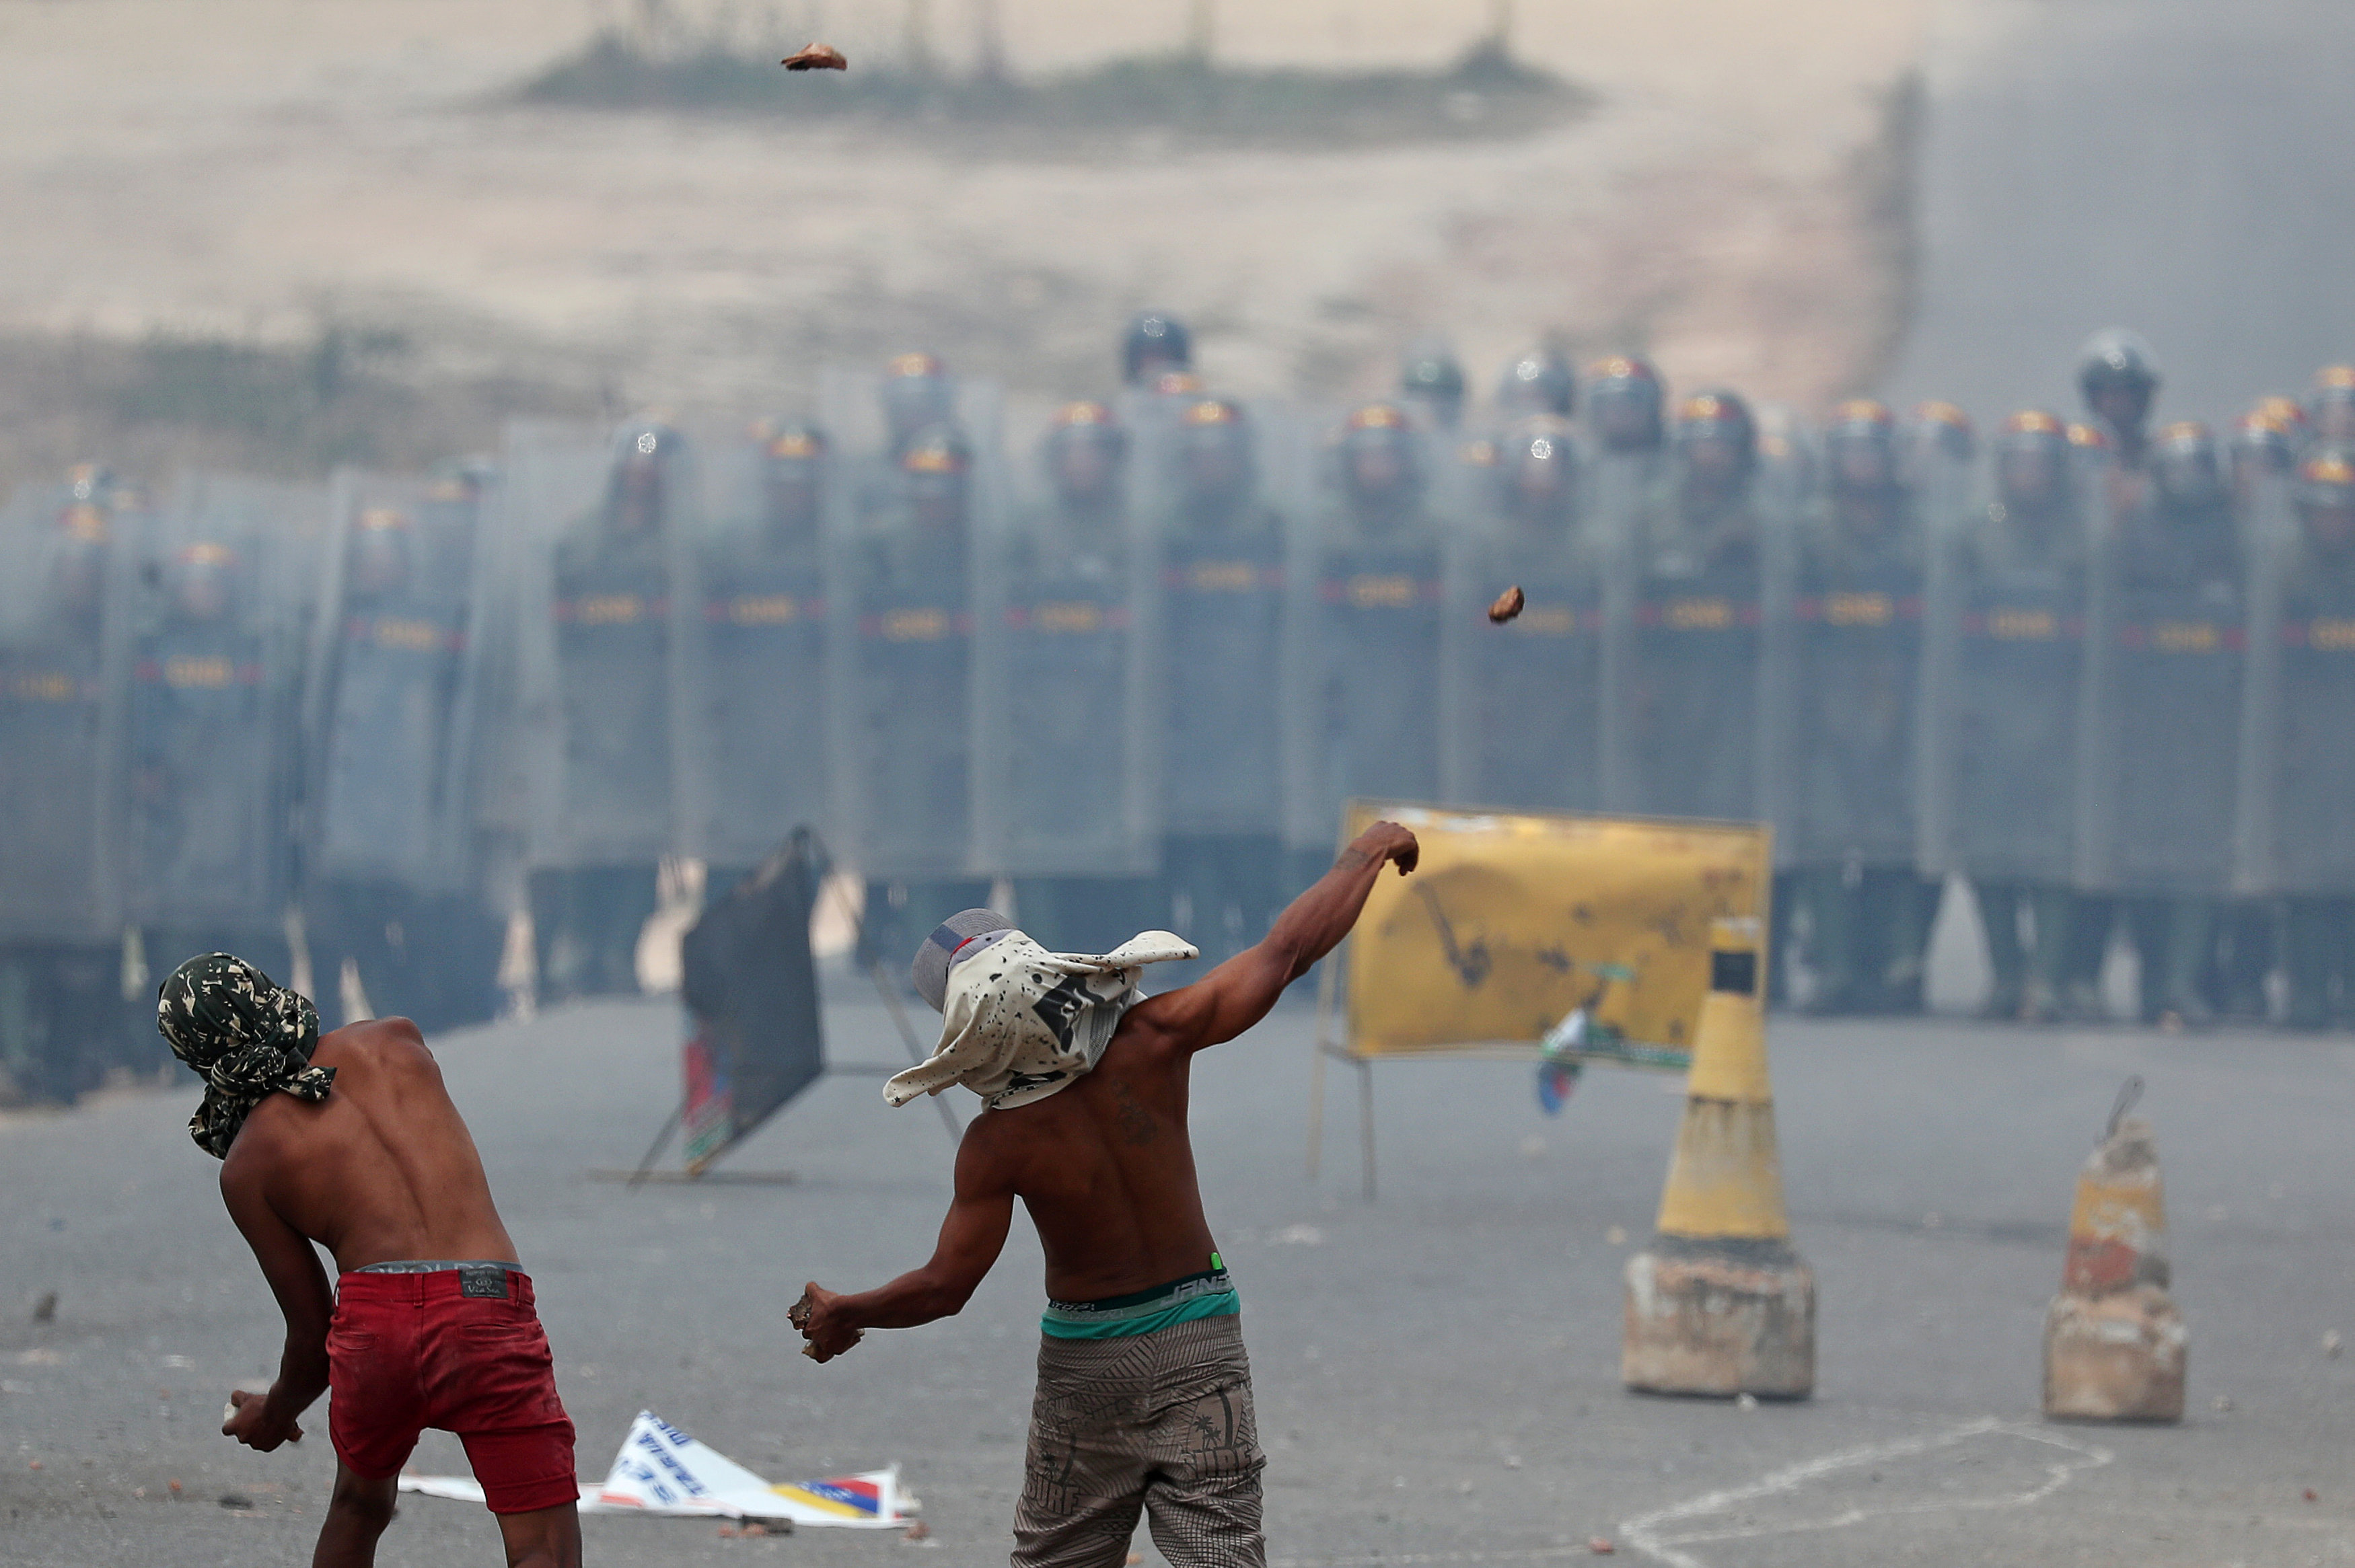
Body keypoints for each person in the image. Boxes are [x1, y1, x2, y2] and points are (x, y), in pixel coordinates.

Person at [795, 819, 1418, 1568]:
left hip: (1086, 1367)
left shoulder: (996, 1145)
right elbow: (1286, 952)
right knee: (1222, 1555)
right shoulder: (1152, 1039)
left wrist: (848, 1312)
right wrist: (1366, 852)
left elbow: (945, 1287)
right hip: (1200, 1344)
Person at [158, 953, 579, 1568]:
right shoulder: (396, 1038)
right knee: (542, 1547)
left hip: (375, 1323)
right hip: (486, 1301)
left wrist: (272, 1414)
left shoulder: (247, 1164)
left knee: (358, 1507)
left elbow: (313, 1337)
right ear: (270, 993)